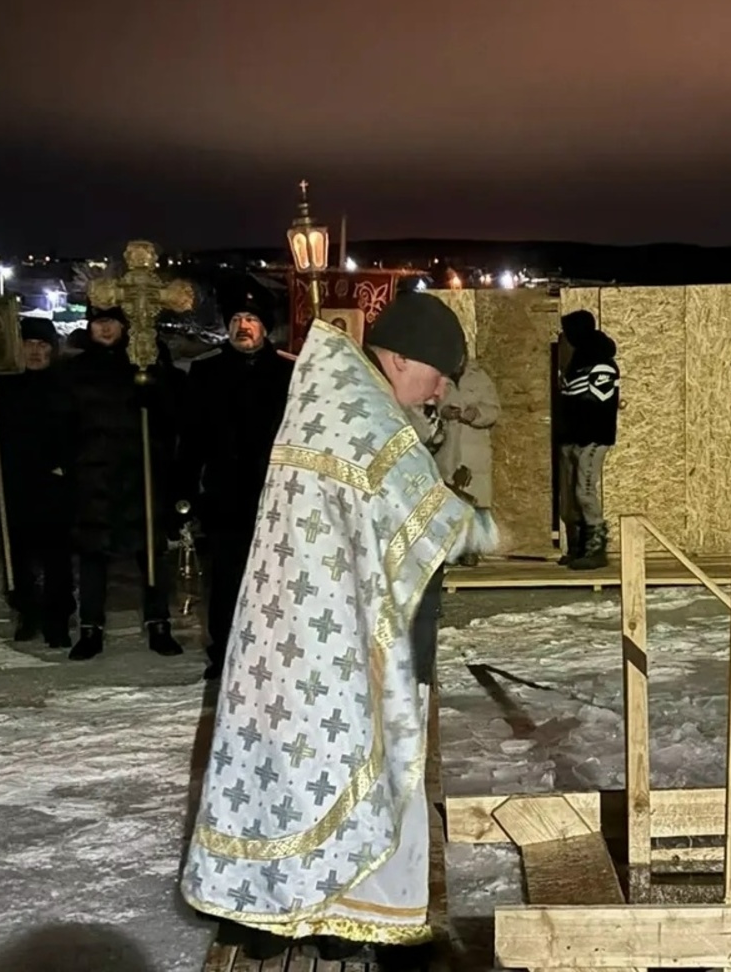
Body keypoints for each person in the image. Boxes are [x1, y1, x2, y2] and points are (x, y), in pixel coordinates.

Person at [182, 293, 496, 961]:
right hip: (339, 637)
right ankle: (326, 910)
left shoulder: (338, 396)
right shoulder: (366, 417)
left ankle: (287, 910)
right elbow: (424, 518)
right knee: (341, 767)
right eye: (436, 371)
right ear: (400, 356)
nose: (441, 388)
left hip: (303, 624)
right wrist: (485, 529)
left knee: (294, 770)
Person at [177, 274, 293, 680]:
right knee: (227, 581)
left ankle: (273, 649)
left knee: (276, 582)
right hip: (226, 497)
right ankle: (225, 651)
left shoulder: (288, 374)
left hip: (277, 498)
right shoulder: (206, 373)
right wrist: (185, 490)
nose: (243, 326)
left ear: (265, 326)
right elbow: (190, 438)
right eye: (236, 319)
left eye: (252, 319)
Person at [53, 305, 185, 660]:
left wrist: (152, 390)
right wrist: (67, 463)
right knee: (94, 554)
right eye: (99, 322)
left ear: (125, 326)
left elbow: (173, 416)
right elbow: (62, 423)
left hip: (140, 470)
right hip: (94, 472)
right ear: (90, 326)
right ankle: (90, 628)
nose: (106, 328)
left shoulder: (146, 364)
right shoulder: (75, 371)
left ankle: (159, 623)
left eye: (112, 321)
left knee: (150, 552)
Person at [0, 319, 72, 645]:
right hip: (12, 482)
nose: (35, 351)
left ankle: (58, 616)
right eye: (29, 344)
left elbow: (75, 430)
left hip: (53, 481)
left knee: (56, 553)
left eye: (43, 345)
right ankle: (27, 609)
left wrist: (63, 465)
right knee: (17, 552)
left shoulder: (63, 384)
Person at [557, 309, 621, 571]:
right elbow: (570, 401)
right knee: (574, 493)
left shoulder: (601, 362)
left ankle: (596, 547)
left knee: (585, 491)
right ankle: (581, 546)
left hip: (593, 439)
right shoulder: (577, 361)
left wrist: (583, 436)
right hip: (576, 438)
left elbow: (597, 405)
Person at [430, 360, 501, 567]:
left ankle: (471, 549)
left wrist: (476, 413)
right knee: (447, 499)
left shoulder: (479, 377)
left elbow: (494, 409)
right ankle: (447, 549)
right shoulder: (437, 373)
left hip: (474, 449)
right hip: (447, 448)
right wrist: (443, 412)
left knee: (475, 501)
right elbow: (424, 404)